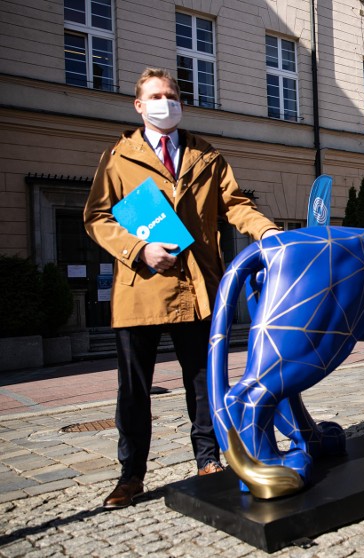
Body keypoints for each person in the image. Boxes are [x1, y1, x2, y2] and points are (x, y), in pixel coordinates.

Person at [84, 68, 281, 509]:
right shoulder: (118, 157)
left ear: (181, 103)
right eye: (155, 95)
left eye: (171, 95)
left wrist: (267, 233)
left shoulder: (205, 154)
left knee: (204, 384)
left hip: (197, 288)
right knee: (134, 390)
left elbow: (235, 204)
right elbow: (97, 217)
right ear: (139, 105)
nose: (165, 102)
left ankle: (208, 460)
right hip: (141, 288)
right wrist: (140, 249)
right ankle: (131, 475)